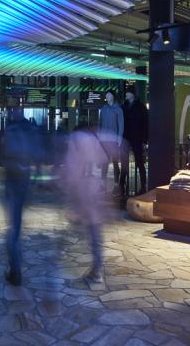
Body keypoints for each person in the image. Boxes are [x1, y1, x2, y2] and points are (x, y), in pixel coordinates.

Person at [61, 123, 109, 284]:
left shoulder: (75, 139)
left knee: (84, 227)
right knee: (95, 228)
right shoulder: (93, 139)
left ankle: (95, 268)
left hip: (82, 187)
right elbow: (103, 161)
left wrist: (69, 191)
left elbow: (72, 167)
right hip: (95, 186)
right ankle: (97, 268)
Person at [1, 108, 36, 286]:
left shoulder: (10, 130)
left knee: (13, 228)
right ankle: (16, 263)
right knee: (17, 224)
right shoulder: (29, 130)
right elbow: (36, 155)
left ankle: (15, 269)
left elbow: (4, 153)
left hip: (12, 180)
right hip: (24, 179)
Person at [121, 90, 149, 195]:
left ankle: (143, 186)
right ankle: (121, 185)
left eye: (128, 92)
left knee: (139, 162)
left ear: (132, 94)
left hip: (137, 137)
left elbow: (145, 123)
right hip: (126, 137)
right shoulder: (124, 106)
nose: (126, 94)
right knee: (124, 162)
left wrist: (144, 139)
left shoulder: (140, 107)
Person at [98, 91, 124, 195]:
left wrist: (119, 139)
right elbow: (100, 124)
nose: (107, 96)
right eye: (107, 95)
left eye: (110, 94)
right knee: (104, 162)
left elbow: (121, 124)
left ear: (113, 96)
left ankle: (116, 186)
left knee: (115, 163)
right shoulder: (103, 109)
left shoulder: (118, 109)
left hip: (114, 141)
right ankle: (102, 186)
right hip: (104, 140)